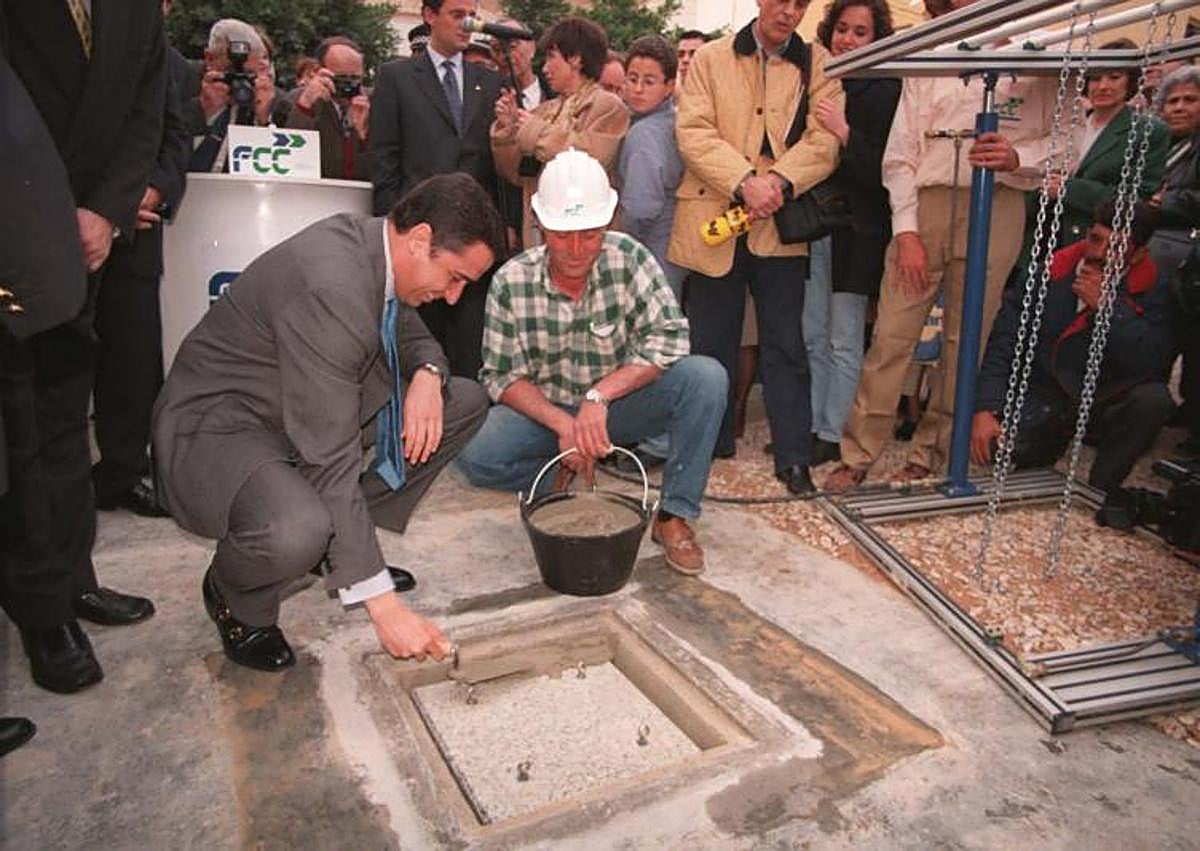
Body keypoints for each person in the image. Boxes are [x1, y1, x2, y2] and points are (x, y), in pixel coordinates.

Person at [152, 174, 505, 671]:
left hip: (295, 409)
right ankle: (234, 593)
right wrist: (383, 606)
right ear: (420, 239)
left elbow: (410, 332)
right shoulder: (333, 284)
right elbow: (329, 458)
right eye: (454, 278)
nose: (452, 297)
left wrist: (428, 374)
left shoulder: (377, 251)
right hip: (223, 423)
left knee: (461, 401)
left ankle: (337, 546)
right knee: (296, 527)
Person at [457, 150, 726, 575]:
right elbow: (501, 375)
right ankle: (556, 479)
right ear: (539, 224)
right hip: (546, 414)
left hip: (616, 409)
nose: (576, 249)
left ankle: (674, 514)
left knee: (705, 379)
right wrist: (564, 425)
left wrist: (599, 397)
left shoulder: (631, 259)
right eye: (563, 235)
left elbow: (670, 338)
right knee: (474, 451)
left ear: (608, 223)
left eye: (589, 235)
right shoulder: (511, 280)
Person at [824, 0, 1057, 491]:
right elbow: (900, 152)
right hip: (927, 201)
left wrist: (1018, 155)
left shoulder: (1040, 50)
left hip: (999, 199)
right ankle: (858, 452)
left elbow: (1066, 142)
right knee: (891, 336)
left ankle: (932, 453)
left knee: (966, 337)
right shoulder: (931, 52)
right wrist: (907, 230)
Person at [1, 1, 164, 694]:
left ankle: (71, 579)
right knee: (14, 433)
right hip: (13, 228)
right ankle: (39, 608)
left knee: (64, 417)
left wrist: (106, 210)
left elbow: (144, 110)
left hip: (87, 239)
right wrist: (41, 219)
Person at [668, 0, 843, 495]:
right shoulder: (710, 58)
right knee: (710, 343)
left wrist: (779, 183)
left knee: (786, 344)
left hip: (779, 225)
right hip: (715, 217)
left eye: (800, 4)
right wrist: (745, 181)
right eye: (781, 0)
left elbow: (825, 141)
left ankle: (793, 456)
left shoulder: (818, 64)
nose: (789, 12)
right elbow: (693, 132)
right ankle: (708, 442)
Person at [971, 201, 1176, 493]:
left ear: (1138, 254)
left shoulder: (1156, 288)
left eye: (1115, 248)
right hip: (1046, 392)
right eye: (1095, 239)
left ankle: (1100, 490)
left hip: (1105, 396)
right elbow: (1004, 344)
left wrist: (1109, 311)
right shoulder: (1048, 273)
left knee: (1152, 401)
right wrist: (986, 408)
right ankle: (1039, 451)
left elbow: (1153, 361)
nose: (1099, 253)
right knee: (996, 446)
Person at [92, 6, 192, 518]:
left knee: (132, 362)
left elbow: (175, 138)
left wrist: (152, 191)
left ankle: (123, 471)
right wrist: (109, 203)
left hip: (138, 234)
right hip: (64, 225)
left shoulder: (165, 59)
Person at [370, 0, 504, 380]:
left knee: (468, 353)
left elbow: (495, 164)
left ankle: (465, 410)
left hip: (472, 247)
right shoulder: (396, 78)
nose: (466, 25)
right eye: (456, 15)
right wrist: (392, 233)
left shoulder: (489, 82)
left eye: (471, 16)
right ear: (429, 16)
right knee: (415, 351)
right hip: (418, 243)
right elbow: (383, 159)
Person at [802, 0, 900, 467]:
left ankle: (834, 431)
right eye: (842, 28)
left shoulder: (887, 87)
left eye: (861, 31)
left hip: (859, 230)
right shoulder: (818, 77)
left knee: (844, 335)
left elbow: (888, 166)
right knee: (812, 331)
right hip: (815, 225)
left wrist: (844, 132)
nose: (848, 39)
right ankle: (813, 426)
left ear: (876, 37)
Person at [491, 16, 630, 249]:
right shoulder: (545, 110)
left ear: (575, 59)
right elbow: (516, 174)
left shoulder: (608, 107)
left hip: (587, 236)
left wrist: (534, 131)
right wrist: (507, 130)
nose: (545, 68)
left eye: (551, 57)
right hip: (542, 233)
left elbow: (589, 158)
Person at [614, 36, 688, 472]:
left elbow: (641, 206)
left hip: (652, 245)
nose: (638, 88)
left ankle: (657, 442)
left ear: (669, 85)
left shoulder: (644, 132)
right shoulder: (670, 122)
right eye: (632, 79)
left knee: (653, 346)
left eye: (649, 81)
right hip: (674, 242)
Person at [1037, 41, 1169, 253]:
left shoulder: (1148, 131)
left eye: (1114, 77)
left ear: (1131, 81)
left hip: (1094, 243)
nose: (1102, 86)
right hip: (1040, 234)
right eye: (1096, 78)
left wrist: (1069, 189)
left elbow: (1137, 197)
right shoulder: (1068, 125)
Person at [1150, 65, 1200, 452]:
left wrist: (1164, 202)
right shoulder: (1158, 145)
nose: (1179, 108)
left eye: (1190, 100)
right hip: (1155, 259)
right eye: (1172, 101)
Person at [186, 19, 277, 173]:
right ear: (209, 58)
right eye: (230, 71)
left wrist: (263, 122)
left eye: (249, 73)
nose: (238, 80)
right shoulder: (179, 82)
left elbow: (270, 167)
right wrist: (201, 111)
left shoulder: (267, 96)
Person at [283, 36, 372, 181]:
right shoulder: (296, 100)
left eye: (355, 78)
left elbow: (386, 163)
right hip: (315, 190)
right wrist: (305, 105)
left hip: (362, 190)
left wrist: (365, 134)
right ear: (318, 71)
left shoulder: (376, 101)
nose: (348, 85)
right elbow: (288, 154)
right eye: (341, 78)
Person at [489, 18, 550, 110]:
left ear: (532, 48)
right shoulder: (485, 99)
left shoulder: (556, 94)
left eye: (512, 46)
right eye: (496, 49)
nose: (504, 55)